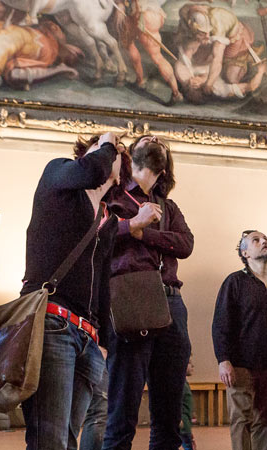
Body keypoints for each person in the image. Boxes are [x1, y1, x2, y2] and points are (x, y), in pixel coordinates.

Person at [20, 131, 126, 450]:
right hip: (53, 325)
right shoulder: (60, 175)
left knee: (67, 441)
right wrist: (106, 140)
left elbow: (103, 283)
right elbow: (91, 170)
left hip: (87, 337)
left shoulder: (107, 218)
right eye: (104, 149)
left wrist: (104, 340)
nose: (110, 152)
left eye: (116, 151)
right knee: (48, 441)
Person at [103, 135, 195, 450]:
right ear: (130, 156)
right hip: (131, 298)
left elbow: (185, 244)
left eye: (159, 140)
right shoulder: (112, 196)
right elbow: (98, 238)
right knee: (122, 414)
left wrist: (145, 232)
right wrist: (133, 224)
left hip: (171, 303)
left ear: (166, 165)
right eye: (146, 138)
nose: (154, 138)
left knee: (169, 419)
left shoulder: (168, 206)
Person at [213, 230, 267, 450]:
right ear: (245, 252)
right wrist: (223, 360)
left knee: (265, 421)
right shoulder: (235, 281)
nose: (264, 242)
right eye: (256, 241)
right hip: (240, 364)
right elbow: (221, 323)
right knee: (241, 420)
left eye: (265, 239)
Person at [182, 359, 197, 450]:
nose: (192, 366)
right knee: (188, 446)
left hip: (186, 424)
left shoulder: (185, 383)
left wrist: (192, 413)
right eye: (189, 363)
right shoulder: (180, 384)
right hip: (182, 424)